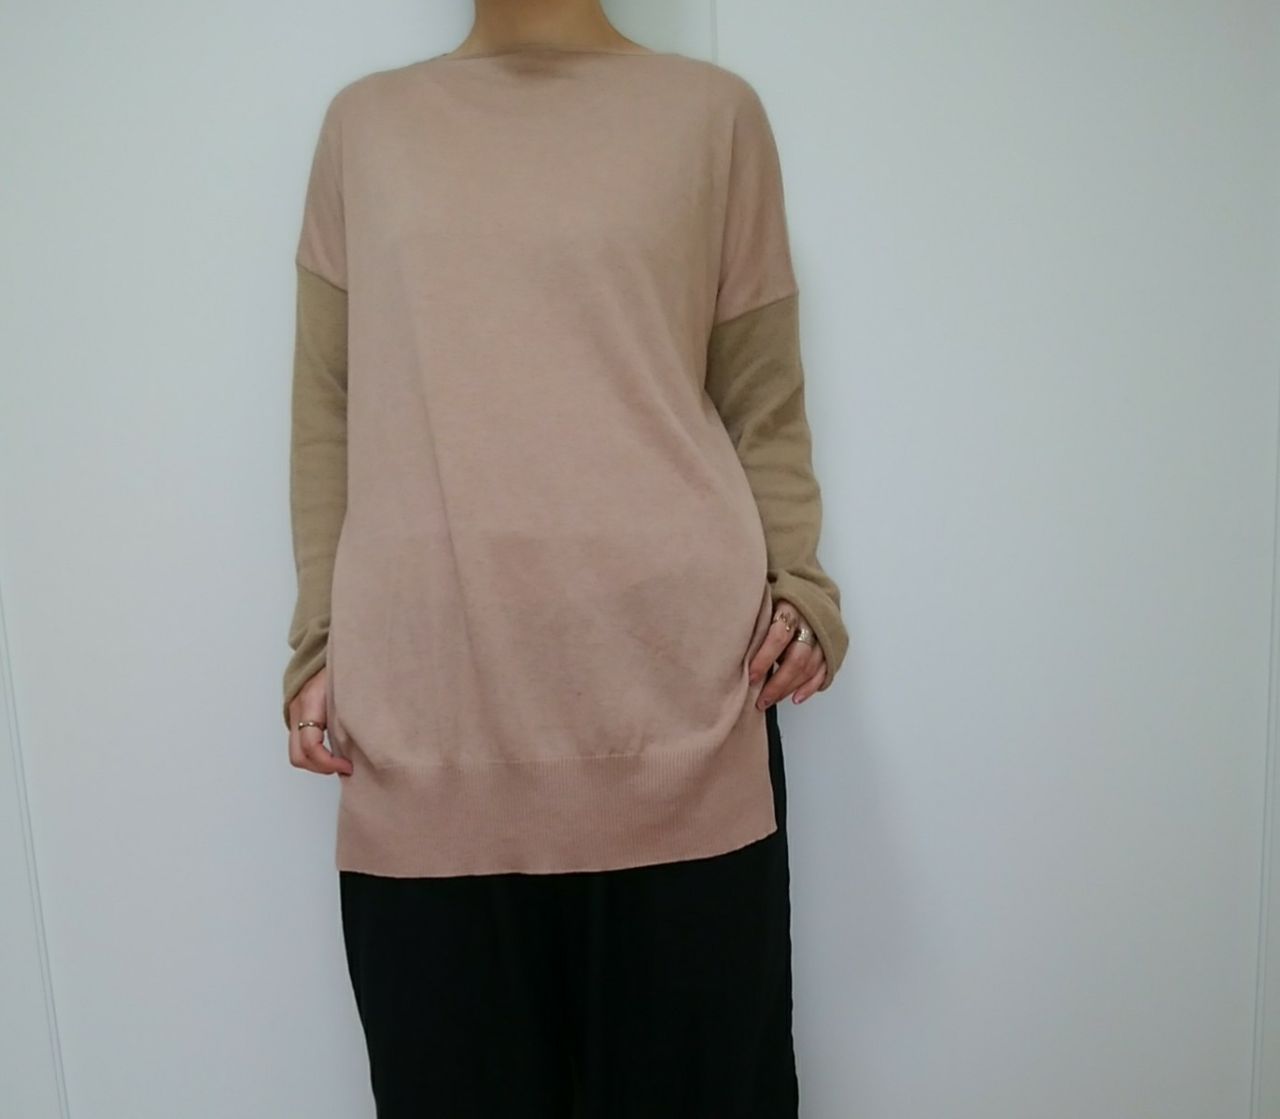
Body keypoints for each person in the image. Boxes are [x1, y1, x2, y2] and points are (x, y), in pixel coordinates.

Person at [281, 3, 848, 1115]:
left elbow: (763, 401)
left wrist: (802, 585)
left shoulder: (712, 116)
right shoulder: (366, 128)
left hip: (680, 707)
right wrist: (320, 637)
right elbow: (328, 408)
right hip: (427, 721)